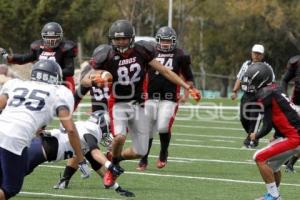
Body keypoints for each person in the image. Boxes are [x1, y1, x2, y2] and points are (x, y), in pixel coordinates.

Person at [81, 19, 201, 188]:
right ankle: (113, 168)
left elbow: (165, 71)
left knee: (140, 151)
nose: (121, 42)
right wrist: (95, 81)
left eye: (124, 38)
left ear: (132, 38)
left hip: (138, 103)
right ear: (112, 40)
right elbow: (85, 79)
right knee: (120, 136)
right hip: (118, 103)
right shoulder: (106, 55)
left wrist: (187, 86)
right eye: (117, 39)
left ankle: (115, 157)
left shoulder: (142, 51)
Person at [0, 60, 89, 199]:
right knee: (10, 188)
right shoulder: (58, 92)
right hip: (15, 137)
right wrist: (81, 159)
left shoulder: (16, 84)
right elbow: (70, 130)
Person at [27, 111, 134, 197]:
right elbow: (95, 151)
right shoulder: (92, 130)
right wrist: (110, 165)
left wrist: (117, 188)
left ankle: (64, 181)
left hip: (41, 149)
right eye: (109, 127)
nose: (109, 131)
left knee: (15, 175)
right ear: (102, 123)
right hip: (41, 149)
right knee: (13, 180)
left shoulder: (84, 133)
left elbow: (96, 164)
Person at [136, 26, 195, 171]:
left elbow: (189, 77)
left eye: (168, 41)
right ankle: (144, 157)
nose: (165, 43)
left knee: (163, 126)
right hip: (150, 95)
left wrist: (187, 94)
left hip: (170, 96)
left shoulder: (180, 55)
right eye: (163, 40)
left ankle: (163, 152)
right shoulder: (151, 52)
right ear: (157, 40)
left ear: (174, 41)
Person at [240, 62, 300, 200]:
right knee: (273, 166)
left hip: (294, 138)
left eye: (252, 79)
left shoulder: (265, 94)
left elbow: (266, 125)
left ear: (261, 79)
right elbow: (285, 116)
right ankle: (275, 194)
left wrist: (256, 135)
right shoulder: (274, 89)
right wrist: (278, 134)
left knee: (259, 157)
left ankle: (273, 196)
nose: (249, 83)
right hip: (292, 135)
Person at [0, 22, 77, 93]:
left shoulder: (65, 49)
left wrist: (50, 73)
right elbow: (24, 58)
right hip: (43, 83)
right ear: (43, 37)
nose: (51, 41)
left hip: (62, 84)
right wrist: (7, 56)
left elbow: (70, 70)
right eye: (48, 37)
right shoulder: (39, 48)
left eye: (54, 37)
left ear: (60, 37)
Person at [231, 44, 275, 148]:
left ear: (262, 55)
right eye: (255, 53)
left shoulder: (267, 67)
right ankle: (252, 135)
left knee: (254, 119)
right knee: (243, 117)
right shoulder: (246, 64)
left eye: (259, 54)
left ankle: (251, 140)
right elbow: (240, 78)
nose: (256, 55)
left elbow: (272, 82)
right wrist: (234, 91)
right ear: (251, 53)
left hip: (259, 96)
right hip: (246, 95)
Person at [280, 55, 300, 172]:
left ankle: (291, 163)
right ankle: (283, 158)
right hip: (296, 104)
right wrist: (284, 96)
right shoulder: (296, 61)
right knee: (284, 133)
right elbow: (284, 80)